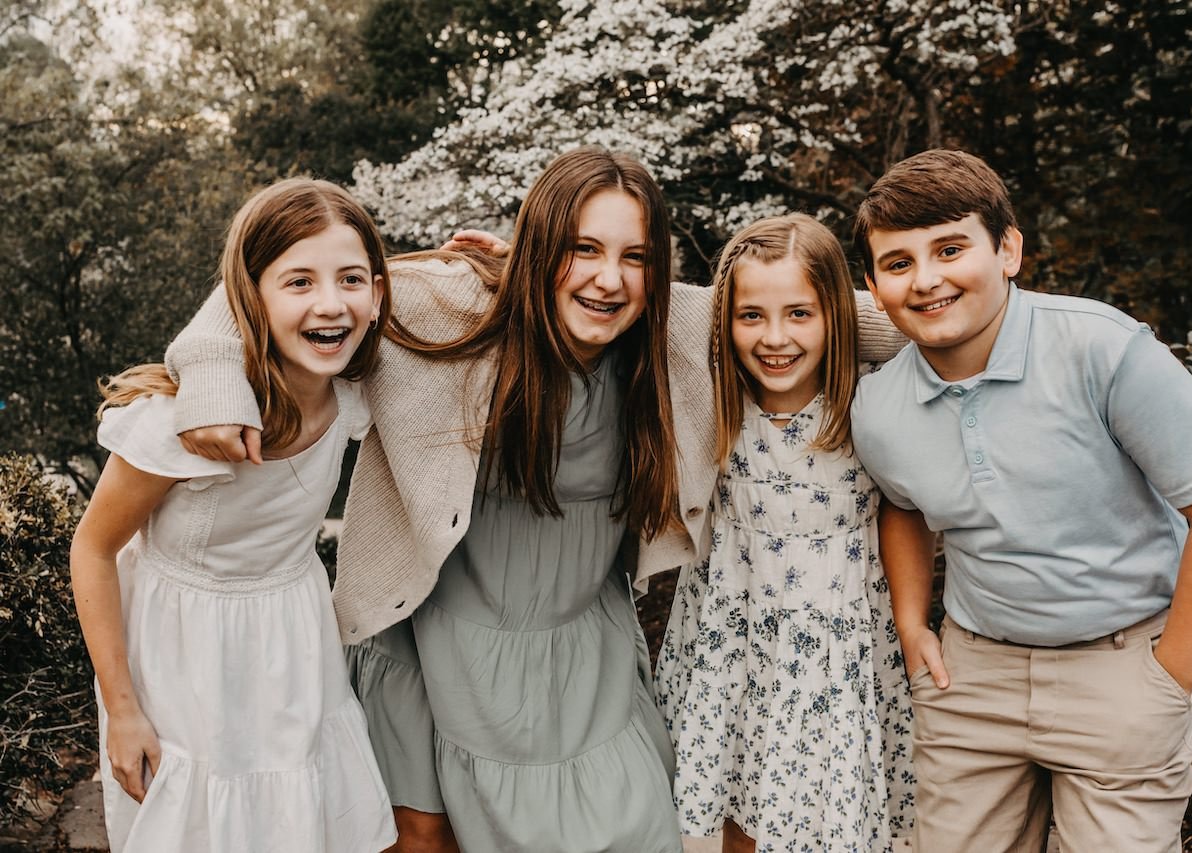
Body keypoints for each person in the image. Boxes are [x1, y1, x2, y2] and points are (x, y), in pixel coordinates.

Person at [163, 148, 907, 852]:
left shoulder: (676, 327)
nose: (609, 279)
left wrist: (980, 310)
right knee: (427, 837)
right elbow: (276, 281)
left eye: (635, 256)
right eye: (582, 249)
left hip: (583, 649)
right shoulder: (450, 302)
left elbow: (866, 317)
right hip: (429, 635)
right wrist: (214, 373)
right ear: (536, 247)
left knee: (638, 827)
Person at [849, 149, 1192, 852]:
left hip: (1123, 662)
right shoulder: (879, 404)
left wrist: (1171, 677)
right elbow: (902, 505)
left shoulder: (1103, 349)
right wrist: (913, 623)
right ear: (873, 283)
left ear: (1008, 249)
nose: (927, 279)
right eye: (898, 262)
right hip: (973, 676)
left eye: (951, 249)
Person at [69, 178, 398, 852]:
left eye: (350, 279)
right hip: (184, 654)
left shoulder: (353, 393)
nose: (330, 303)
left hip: (292, 637)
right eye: (298, 282)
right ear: (249, 298)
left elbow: (421, 284)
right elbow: (93, 550)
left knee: (294, 816)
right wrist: (123, 711)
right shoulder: (186, 424)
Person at [655, 213, 915, 853]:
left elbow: (937, 323)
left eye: (801, 313)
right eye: (751, 316)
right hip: (725, 639)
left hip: (835, 650)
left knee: (823, 820)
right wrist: (515, 271)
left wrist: (848, 307)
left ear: (837, 312)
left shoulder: (872, 402)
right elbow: (648, 305)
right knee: (724, 811)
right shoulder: (710, 393)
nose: (775, 338)